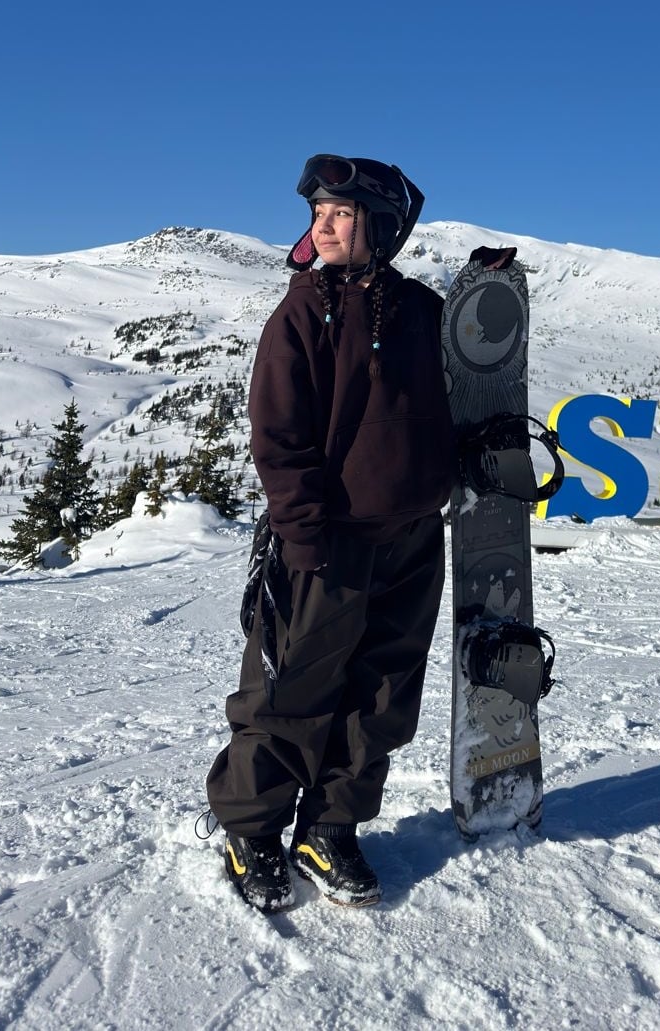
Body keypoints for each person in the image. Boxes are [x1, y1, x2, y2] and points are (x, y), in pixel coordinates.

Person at [205, 154, 454, 911]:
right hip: (326, 540)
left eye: (341, 212)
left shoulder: (421, 310)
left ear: (380, 226)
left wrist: (485, 293)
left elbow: (452, 400)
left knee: (381, 696)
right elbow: (277, 436)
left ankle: (332, 826)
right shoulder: (301, 312)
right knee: (290, 694)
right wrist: (302, 531)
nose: (324, 222)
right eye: (319, 211)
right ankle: (251, 829)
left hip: (412, 535)